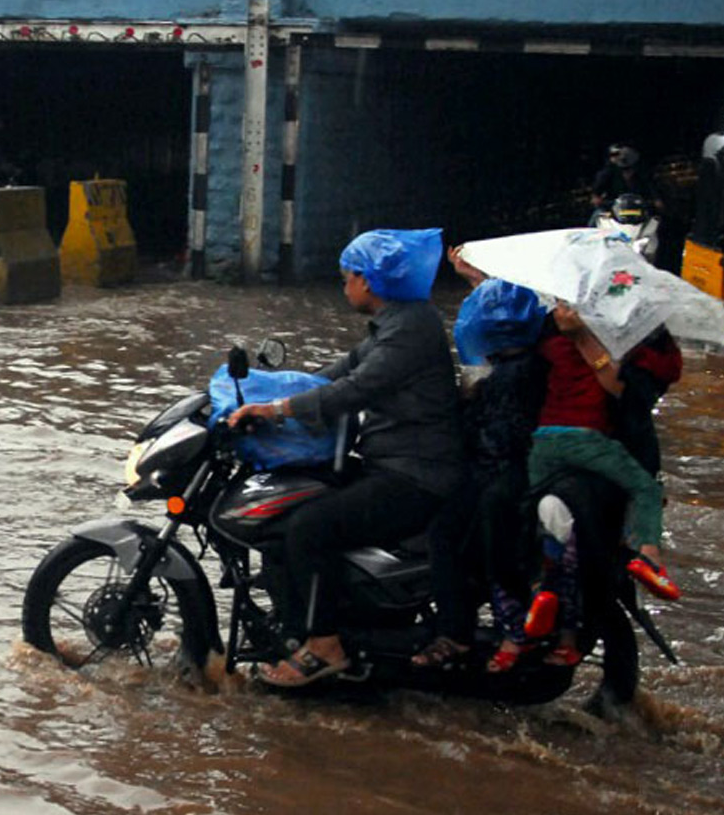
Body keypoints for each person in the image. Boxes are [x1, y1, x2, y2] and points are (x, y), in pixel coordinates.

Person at [229, 229, 465, 687]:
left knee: (310, 528)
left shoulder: (411, 330)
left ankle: (325, 646)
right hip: (390, 463)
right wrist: (263, 396)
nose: (344, 287)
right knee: (291, 510)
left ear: (369, 281)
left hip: (416, 474)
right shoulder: (392, 325)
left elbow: (356, 389)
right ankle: (300, 629)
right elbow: (333, 376)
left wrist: (276, 411)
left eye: (347, 277)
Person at [494, 304, 682, 670]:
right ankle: (649, 556)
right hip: (584, 443)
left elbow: (627, 394)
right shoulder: (585, 331)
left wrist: (580, 337)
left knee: (532, 511)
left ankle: (539, 596)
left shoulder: (561, 330)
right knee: (642, 491)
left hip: (549, 443)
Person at [410, 259, 549, 670]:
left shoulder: (508, 379)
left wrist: (464, 409)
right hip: (516, 471)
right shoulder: (534, 364)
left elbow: (492, 437)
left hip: (499, 478)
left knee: (445, 534)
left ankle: (456, 634)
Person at [590, 145, 660, 220]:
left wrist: (656, 200)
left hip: (640, 209)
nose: (627, 172)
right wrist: (597, 199)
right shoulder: (607, 174)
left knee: (659, 219)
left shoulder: (643, 175)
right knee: (596, 217)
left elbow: (652, 190)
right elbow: (596, 193)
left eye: (630, 168)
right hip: (613, 209)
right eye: (624, 169)